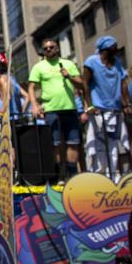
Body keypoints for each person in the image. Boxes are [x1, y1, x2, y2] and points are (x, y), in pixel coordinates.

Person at [28, 38, 86, 179]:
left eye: (51, 47)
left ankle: (72, 175)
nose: (48, 50)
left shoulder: (68, 64)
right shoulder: (39, 67)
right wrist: (35, 105)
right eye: (46, 48)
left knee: (73, 142)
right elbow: (31, 87)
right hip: (51, 110)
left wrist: (69, 76)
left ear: (57, 48)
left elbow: (81, 85)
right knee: (55, 144)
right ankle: (60, 175)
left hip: (70, 109)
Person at [82, 36, 132, 180]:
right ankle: (101, 172)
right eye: (114, 46)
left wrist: (127, 104)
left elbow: (123, 83)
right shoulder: (91, 61)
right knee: (100, 141)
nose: (116, 48)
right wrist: (89, 105)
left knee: (113, 141)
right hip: (98, 108)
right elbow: (85, 83)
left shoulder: (117, 63)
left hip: (114, 109)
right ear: (106, 48)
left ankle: (114, 173)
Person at [0, 62, 28, 127]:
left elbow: (8, 97)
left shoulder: (2, 80)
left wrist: (0, 114)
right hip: (17, 119)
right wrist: (22, 112)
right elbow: (27, 97)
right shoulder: (13, 81)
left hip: (7, 121)